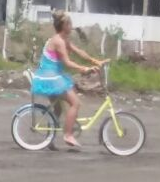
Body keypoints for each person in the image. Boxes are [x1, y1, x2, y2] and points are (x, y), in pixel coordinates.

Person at [32, 10, 107, 148]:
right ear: (64, 25)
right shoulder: (58, 41)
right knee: (75, 103)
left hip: (52, 76)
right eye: (70, 23)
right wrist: (83, 69)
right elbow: (67, 62)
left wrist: (95, 61)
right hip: (51, 78)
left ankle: (50, 138)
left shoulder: (62, 39)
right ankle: (68, 135)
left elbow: (78, 51)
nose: (72, 26)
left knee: (58, 109)